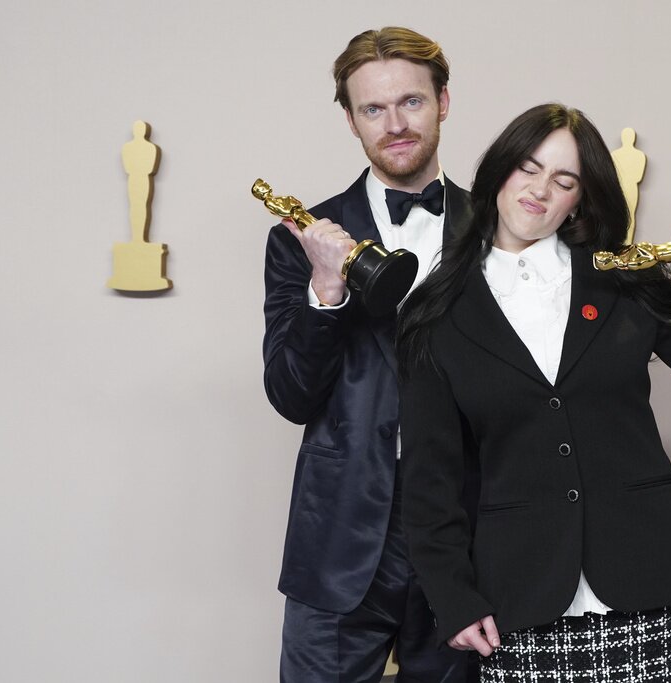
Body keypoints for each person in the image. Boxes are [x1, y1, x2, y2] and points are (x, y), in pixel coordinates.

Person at [397, 103, 671, 681]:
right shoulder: (435, 313)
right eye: (527, 168)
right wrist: (454, 598)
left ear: (580, 199)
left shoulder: (622, 276)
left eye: (563, 180)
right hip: (520, 596)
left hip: (647, 587)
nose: (539, 190)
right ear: (498, 172)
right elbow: (428, 480)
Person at [262, 27, 474, 682]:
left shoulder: (506, 234)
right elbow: (291, 395)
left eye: (410, 102)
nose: (395, 124)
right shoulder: (300, 238)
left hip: (468, 531)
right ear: (351, 120)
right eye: (373, 109)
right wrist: (326, 291)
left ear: (443, 101)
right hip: (340, 534)